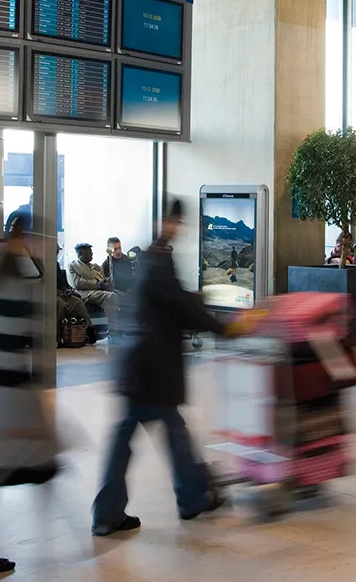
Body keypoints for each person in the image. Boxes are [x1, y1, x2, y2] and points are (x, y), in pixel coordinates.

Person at [91, 199, 253, 536]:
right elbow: (178, 305)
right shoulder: (159, 259)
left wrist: (194, 300)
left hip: (141, 365)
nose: (174, 226)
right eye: (171, 220)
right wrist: (225, 328)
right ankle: (190, 498)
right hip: (153, 367)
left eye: (176, 221)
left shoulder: (151, 257)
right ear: (161, 221)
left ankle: (110, 513)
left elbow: (171, 301)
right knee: (170, 433)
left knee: (141, 436)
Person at [0, 218, 59, 576]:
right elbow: (23, 338)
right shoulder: (12, 285)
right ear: (21, 238)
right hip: (11, 397)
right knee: (41, 468)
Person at [70, 242, 119, 335]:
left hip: (100, 291)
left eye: (91, 251)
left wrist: (108, 282)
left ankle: (126, 328)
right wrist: (99, 285)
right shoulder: (73, 266)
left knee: (125, 296)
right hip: (85, 293)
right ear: (80, 253)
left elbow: (103, 279)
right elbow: (77, 283)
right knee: (110, 297)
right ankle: (114, 332)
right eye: (89, 252)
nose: (92, 253)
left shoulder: (95, 266)